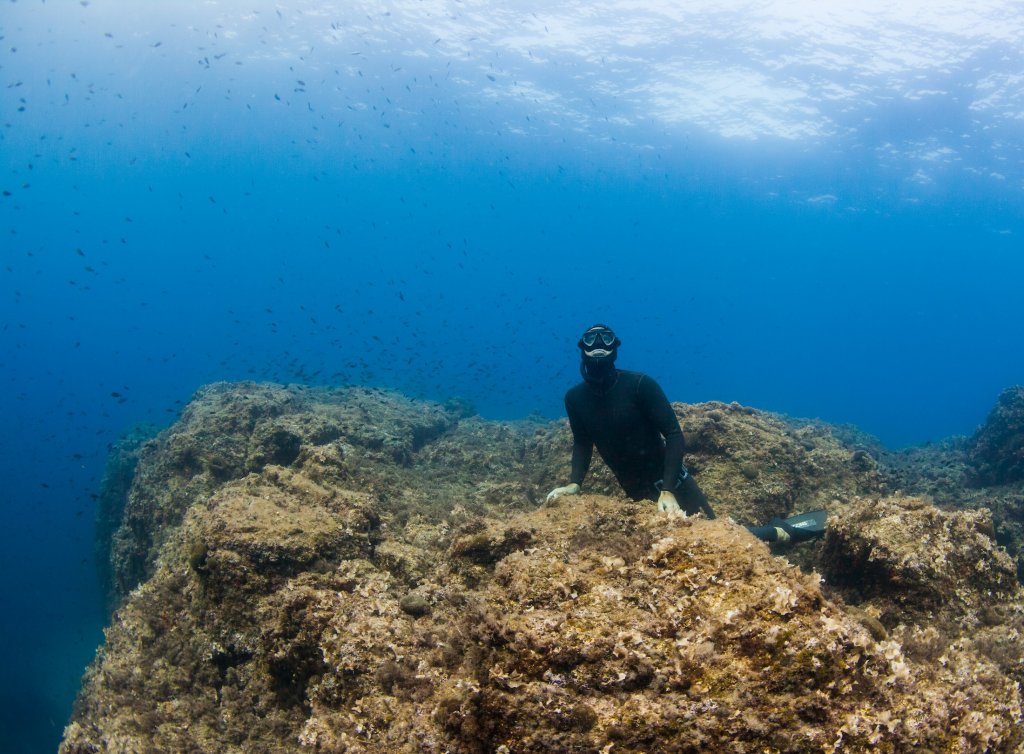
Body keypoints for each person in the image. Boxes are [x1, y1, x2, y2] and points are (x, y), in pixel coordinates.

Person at [545, 324, 825, 544]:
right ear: (582, 348)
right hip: (635, 493)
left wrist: (667, 490)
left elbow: (674, 435)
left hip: (673, 483)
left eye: (605, 339)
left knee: (718, 538)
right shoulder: (575, 399)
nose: (598, 345)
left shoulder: (640, 385)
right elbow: (582, 442)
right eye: (591, 339)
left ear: (615, 347)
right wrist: (574, 484)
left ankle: (779, 532)